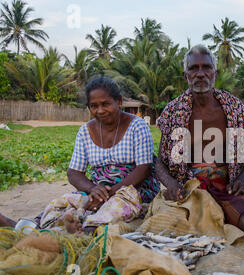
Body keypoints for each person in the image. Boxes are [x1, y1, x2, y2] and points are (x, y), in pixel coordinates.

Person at [0, 77, 160, 234]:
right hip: (97, 189)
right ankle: (32, 227)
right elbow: (74, 172)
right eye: (94, 106)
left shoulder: (136, 126)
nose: (100, 110)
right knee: (62, 203)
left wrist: (109, 194)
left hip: (132, 190)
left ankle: (83, 232)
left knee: (114, 208)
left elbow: (143, 169)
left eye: (105, 104)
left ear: (118, 102)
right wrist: (93, 189)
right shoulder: (85, 131)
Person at [156, 44, 244, 240]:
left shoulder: (234, 108)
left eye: (206, 67)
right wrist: (172, 184)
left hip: (227, 186)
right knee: (170, 228)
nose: (200, 74)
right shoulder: (173, 111)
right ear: (185, 75)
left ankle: (221, 212)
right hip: (189, 188)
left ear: (215, 73)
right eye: (194, 68)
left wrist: (241, 180)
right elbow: (159, 162)